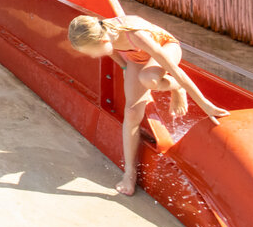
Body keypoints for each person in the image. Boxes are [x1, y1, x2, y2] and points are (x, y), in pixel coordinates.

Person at [68, 12, 230, 196]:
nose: (90, 56)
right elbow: (113, 52)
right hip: (137, 58)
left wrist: (204, 104)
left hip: (165, 48)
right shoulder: (104, 33)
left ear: (102, 42)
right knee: (131, 112)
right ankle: (130, 173)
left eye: (90, 52)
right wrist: (124, 68)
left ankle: (177, 89)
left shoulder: (135, 35)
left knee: (148, 79)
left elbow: (175, 70)